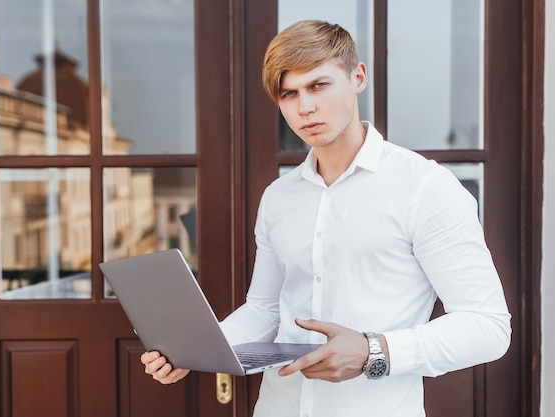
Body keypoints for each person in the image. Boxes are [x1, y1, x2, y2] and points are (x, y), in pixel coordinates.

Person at [141, 19, 511, 416]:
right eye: (289, 94)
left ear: (358, 77)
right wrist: (193, 350)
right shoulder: (278, 198)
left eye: (318, 85)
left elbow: (487, 326)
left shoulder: (426, 187)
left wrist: (374, 351)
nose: (305, 107)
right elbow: (265, 310)